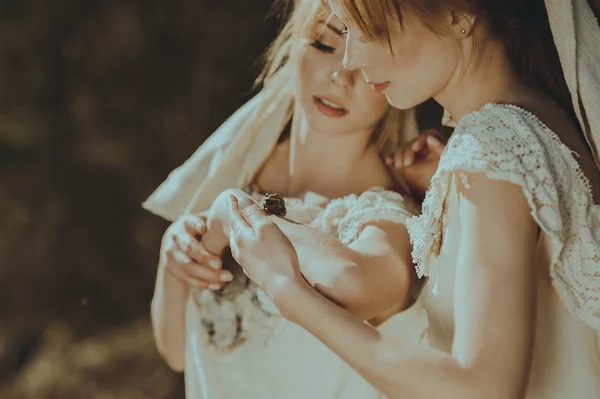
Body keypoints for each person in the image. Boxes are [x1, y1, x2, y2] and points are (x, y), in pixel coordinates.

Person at [224, 0, 600, 398]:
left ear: (458, 15)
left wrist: (287, 290)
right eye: (344, 32)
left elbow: (483, 388)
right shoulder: (530, 126)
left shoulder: (491, 149)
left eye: (369, 30)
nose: (351, 59)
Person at [143, 0, 443, 397]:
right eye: (323, 43)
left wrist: (235, 215)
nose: (340, 75)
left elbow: (350, 283)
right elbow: (178, 352)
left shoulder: (387, 211)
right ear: (291, 45)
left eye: (364, 54)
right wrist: (172, 260)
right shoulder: (238, 170)